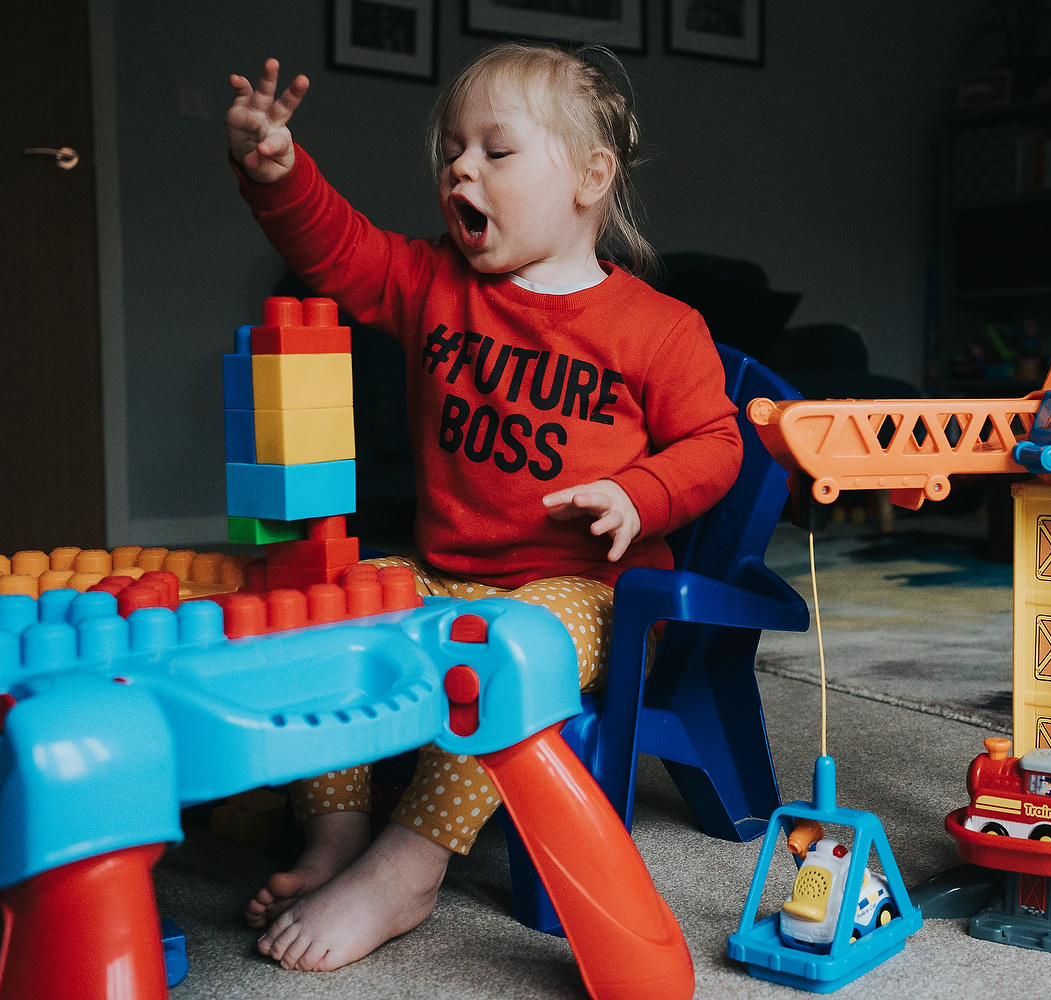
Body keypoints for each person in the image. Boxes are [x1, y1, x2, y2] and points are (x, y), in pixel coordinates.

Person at [225, 41, 742, 972]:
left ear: (591, 176)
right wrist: (279, 175)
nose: (460, 167)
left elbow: (716, 446)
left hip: (582, 595)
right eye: (452, 152)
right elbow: (338, 252)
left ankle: (407, 863)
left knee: (501, 649)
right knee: (318, 607)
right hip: (438, 573)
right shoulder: (431, 284)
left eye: (496, 152)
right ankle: (336, 833)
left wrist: (639, 493)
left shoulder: (659, 328)